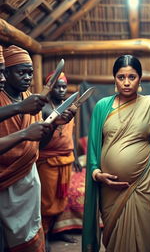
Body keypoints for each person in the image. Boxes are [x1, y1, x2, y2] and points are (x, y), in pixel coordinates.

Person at [82, 55, 150, 252]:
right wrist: (97, 174)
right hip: (110, 189)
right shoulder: (102, 107)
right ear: (114, 79)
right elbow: (93, 148)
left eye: (132, 77)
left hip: (146, 183)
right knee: (115, 239)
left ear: (140, 78)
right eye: (121, 77)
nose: (126, 82)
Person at [0, 45, 74, 252]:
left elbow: (39, 143)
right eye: (21, 72)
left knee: (31, 230)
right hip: (6, 180)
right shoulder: (4, 100)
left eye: (30, 72)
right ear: (7, 73)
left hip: (28, 177)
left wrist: (53, 125)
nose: (27, 77)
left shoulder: (31, 99)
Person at [37, 72, 81, 251]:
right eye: (57, 86)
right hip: (48, 160)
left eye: (64, 86)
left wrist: (76, 157)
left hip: (66, 159)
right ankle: (44, 237)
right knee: (46, 202)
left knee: (61, 199)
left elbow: (69, 136)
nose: (61, 89)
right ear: (50, 87)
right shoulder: (45, 109)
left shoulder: (69, 107)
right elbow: (40, 141)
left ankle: (56, 231)